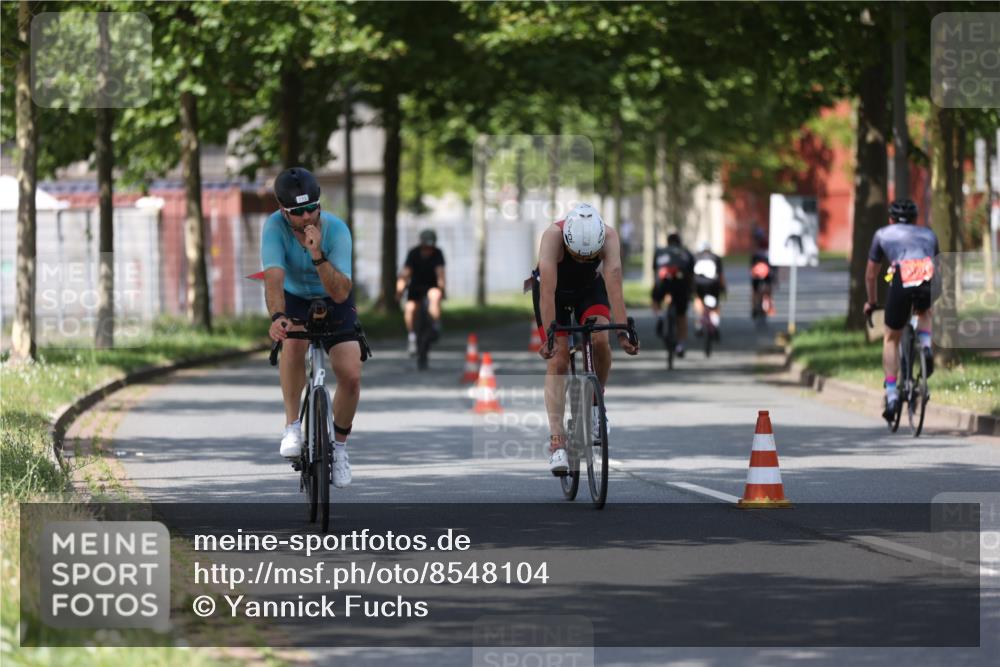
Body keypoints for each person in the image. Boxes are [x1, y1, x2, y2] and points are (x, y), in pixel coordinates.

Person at [261, 167, 361, 487]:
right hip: (293, 298)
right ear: (282, 210)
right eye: (297, 212)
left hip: (334, 296)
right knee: (292, 342)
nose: (306, 217)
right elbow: (273, 279)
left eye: (311, 208)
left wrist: (316, 253)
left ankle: (339, 449)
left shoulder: (337, 230)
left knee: (351, 375)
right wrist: (278, 316)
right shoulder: (274, 228)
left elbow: (341, 292)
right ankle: (292, 426)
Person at [532, 203, 639, 474]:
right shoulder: (552, 237)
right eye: (576, 256)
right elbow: (547, 293)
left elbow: (614, 283)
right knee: (558, 359)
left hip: (588, 289)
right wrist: (550, 337)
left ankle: (595, 405)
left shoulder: (610, 236)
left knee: (601, 340)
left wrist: (623, 332)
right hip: (553, 293)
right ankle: (557, 443)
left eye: (588, 257)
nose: (582, 260)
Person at [863, 198, 939, 422]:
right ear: (915, 219)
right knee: (924, 312)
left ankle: (892, 395)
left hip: (902, 277)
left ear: (891, 219)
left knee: (891, 338)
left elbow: (871, 275)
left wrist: (871, 302)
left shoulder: (882, 234)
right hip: (927, 276)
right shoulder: (929, 234)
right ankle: (926, 346)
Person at [396, 228, 446, 356]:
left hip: (432, 286)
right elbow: (405, 274)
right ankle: (412, 336)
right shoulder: (413, 253)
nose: (428, 249)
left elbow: (440, 273)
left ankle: (435, 325)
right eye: (425, 246)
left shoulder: (438, 253)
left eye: (430, 246)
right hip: (415, 287)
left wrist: (441, 288)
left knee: (435, 296)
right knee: (410, 308)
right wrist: (400, 291)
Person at [651, 232, 694, 357]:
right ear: (680, 242)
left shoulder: (660, 252)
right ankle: (680, 345)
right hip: (681, 283)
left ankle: (659, 316)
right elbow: (691, 275)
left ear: (668, 242)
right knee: (682, 315)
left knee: (655, 299)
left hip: (663, 281)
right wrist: (691, 292)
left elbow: (656, 270)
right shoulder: (686, 253)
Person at [692, 240, 726, 337]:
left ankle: (699, 324)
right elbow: (720, 275)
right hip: (713, 284)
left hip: (699, 283)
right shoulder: (716, 257)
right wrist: (723, 288)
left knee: (698, 299)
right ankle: (715, 324)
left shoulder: (695, 257)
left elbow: (691, 275)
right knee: (715, 305)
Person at [750, 233, 775, 319]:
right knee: (768, 291)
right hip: (766, 275)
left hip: (758, 275)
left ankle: (754, 307)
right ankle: (769, 306)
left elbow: (752, 266)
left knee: (755, 292)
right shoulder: (768, 253)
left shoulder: (756, 253)